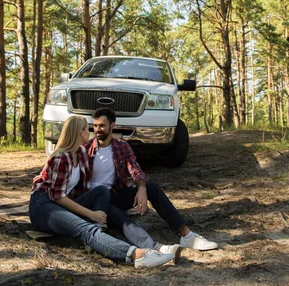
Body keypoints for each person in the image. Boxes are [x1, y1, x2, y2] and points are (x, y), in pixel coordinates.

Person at [28, 115, 175, 268]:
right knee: (84, 229)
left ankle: (99, 233)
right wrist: (91, 214)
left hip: (60, 203)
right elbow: (58, 197)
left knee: (101, 191)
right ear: (79, 132)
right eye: (86, 129)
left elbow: (81, 187)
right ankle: (136, 255)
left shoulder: (81, 154)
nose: (90, 132)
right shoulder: (61, 158)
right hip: (43, 206)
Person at [81, 108, 219, 262]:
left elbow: (136, 170)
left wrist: (141, 188)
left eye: (102, 125)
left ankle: (187, 235)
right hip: (96, 202)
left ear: (112, 125)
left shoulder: (121, 147)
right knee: (121, 218)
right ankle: (156, 248)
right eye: (95, 125)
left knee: (151, 187)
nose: (97, 129)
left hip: (115, 195)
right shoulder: (85, 149)